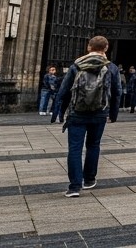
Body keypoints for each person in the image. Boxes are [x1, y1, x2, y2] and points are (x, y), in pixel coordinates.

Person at [55, 35, 122, 197]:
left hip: (77, 113)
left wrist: (59, 112)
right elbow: (117, 92)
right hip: (100, 113)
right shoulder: (111, 67)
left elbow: (64, 90)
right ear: (106, 48)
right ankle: (89, 179)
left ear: (88, 47)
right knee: (93, 145)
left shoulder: (76, 65)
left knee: (75, 149)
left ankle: (74, 187)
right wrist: (113, 114)